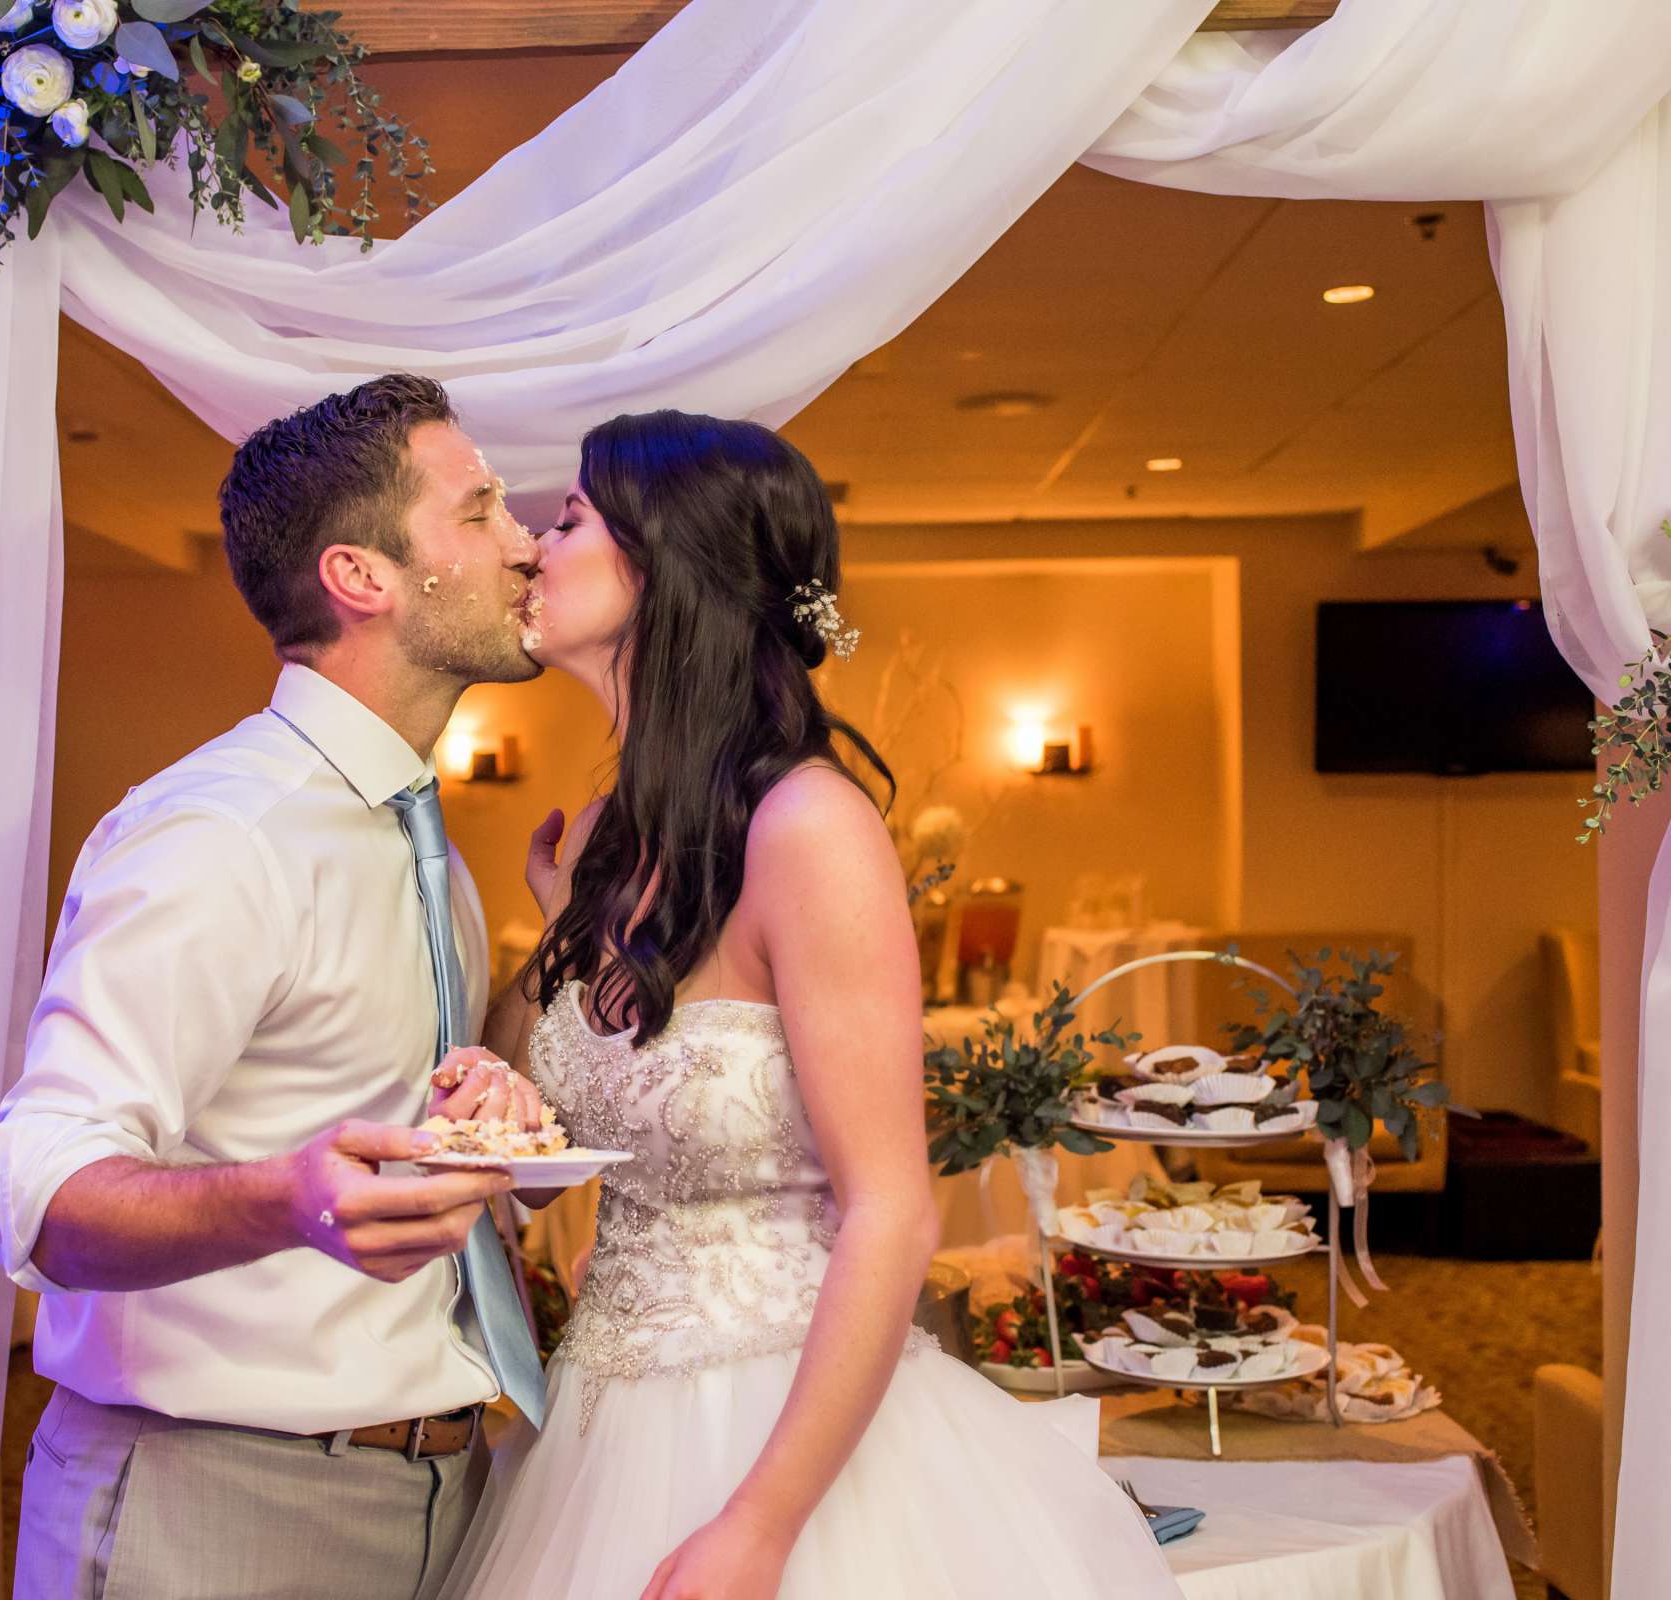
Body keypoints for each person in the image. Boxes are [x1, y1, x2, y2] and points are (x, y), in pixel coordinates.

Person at [436, 411, 1183, 1599]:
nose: (533, 542)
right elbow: (533, 1119)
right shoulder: (611, 840)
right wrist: (562, 926)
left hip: (783, 1434)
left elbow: (893, 1209)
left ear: (667, 566)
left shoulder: (810, 829)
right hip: (599, 1427)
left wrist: (762, 1524)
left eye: (570, 516)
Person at [0, 374, 560, 1600]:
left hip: (441, 1494)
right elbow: (38, 1194)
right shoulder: (220, 832)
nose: (527, 545)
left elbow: (429, 1109)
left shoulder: (423, 842)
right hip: (217, 1504)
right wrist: (284, 1200)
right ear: (365, 576)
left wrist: (567, 940)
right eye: (483, 510)